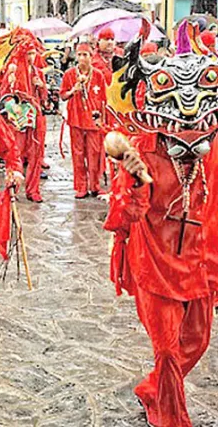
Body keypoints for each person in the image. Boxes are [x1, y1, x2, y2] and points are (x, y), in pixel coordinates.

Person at [104, 130, 218, 427]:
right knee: (167, 349)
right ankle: (172, 420)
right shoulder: (141, 148)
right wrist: (135, 181)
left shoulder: (213, 145)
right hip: (155, 262)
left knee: (197, 342)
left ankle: (152, 389)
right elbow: (125, 214)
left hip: (200, 259)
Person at [0, 47, 48, 203]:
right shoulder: (12, 72)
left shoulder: (38, 73)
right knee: (15, 154)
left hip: (35, 118)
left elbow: (45, 98)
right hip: (18, 120)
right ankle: (12, 189)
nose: (30, 57)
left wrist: (40, 86)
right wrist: (13, 106)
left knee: (36, 155)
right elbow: (4, 95)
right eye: (27, 54)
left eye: (33, 53)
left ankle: (33, 190)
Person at [59, 43, 107, 198]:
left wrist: (102, 120)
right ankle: (81, 186)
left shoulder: (98, 75)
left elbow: (104, 100)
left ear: (91, 57)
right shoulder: (69, 74)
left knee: (94, 154)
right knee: (78, 154)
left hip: (93, 121)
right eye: (79, 55)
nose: (81, 58)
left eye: (85, 55)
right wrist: (74, 90)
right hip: (76, 119)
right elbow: (63, 95)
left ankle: (95, 185)